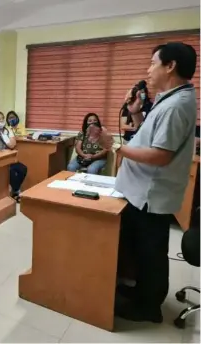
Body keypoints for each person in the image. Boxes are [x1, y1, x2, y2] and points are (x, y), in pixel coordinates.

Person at [99, 42, 198, 323]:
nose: (148, 70)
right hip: (140, 192)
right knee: (141, 249)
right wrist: (135, 112)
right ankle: (142, 293)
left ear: (171, 66)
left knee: (150, 252)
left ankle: (148, 307)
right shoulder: (170, 98)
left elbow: (160, 155)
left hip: (150, 195)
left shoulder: (176, 106)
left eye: (153, 63)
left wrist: (116, 147)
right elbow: (150, 136)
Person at [0, 111, 27, 202]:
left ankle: (15, 190)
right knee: (11, 172)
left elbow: (12, 145)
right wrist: (4, 138)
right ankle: (16, 192)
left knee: (23, 169)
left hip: (9, 158)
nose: (0, 120)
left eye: (2, 118)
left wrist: (4, 137)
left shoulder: (7, 130)